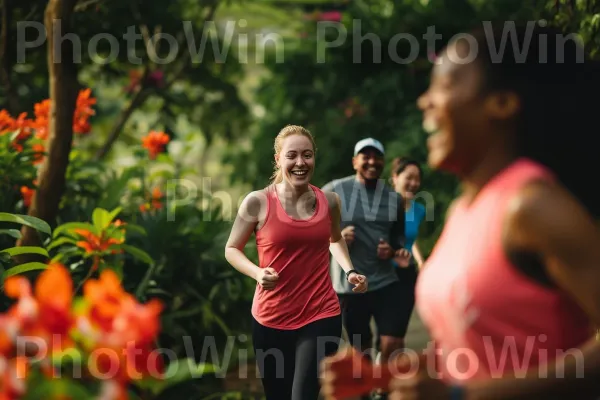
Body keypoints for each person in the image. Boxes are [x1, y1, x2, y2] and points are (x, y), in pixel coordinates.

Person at [320, 23, 600, 399]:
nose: (425, 101)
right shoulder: (463, 209)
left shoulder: (533, 207)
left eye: (445, 85)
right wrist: (382, 376)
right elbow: (474, 351)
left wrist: (460, 396)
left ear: (501, 103)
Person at [224, 124, 368, 400]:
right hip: (270, 318)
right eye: (292, 155)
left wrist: (349, 270)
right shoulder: (257, 202)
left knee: (304, 395)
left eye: (307, 155)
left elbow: (334, 239)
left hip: (320, 313)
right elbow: (231, 249)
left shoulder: (330, 202)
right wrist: (256, 273)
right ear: (278, 159)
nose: (300, 163)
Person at [322, 138, 411, 370]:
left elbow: (399, 238)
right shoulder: (333, 191)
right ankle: (364, 390)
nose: (372, 161)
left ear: (383, 162)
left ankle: (382, 390)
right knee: (362, 350)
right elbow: (311, 231)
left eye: (377, 157)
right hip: (349, 287)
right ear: (354, 162)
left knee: (392, 342)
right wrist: (337, 236)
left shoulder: (394, 198)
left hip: (385, 282)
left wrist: (392, 251)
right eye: (366, 156)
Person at [374, 157, 428, 362]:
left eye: (417, 179)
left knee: (397, 336)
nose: (414, 183)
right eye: (409, 177)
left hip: (406, 275)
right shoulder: (380, 206)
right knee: (388, 338)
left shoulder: (419, 210)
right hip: (382, 274)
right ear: (395, 178)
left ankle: (389, 383)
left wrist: (420, 260)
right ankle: (381, 382)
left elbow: (409, 239)